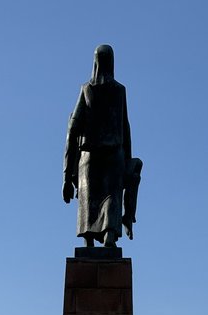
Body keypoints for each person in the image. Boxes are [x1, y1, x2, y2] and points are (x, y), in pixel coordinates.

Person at [63, 44, 132, 248]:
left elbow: (73, 129)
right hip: (114, 155)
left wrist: (67, 176)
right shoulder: (119, 91)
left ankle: (88, 241)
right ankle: (109, 235)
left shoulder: (87, 90)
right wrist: (128, 161)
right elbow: (125, 129)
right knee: (111, 197)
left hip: (90, 157)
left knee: (88, 199)